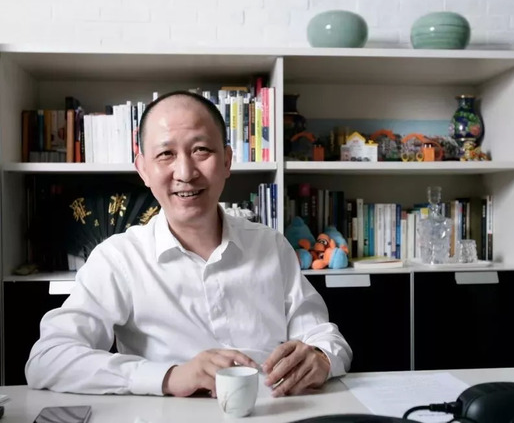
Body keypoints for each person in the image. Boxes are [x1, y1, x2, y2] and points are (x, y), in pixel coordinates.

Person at [25, 90, 352, 397]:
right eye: (166, 154)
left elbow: (322, 335)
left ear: (227, 161)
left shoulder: (271, 246)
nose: (185, 172)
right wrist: (170, 376)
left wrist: (321, 357)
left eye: (201, 150)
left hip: (277, 409)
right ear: (143, 169)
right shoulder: (118, 259)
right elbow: (48, 359)